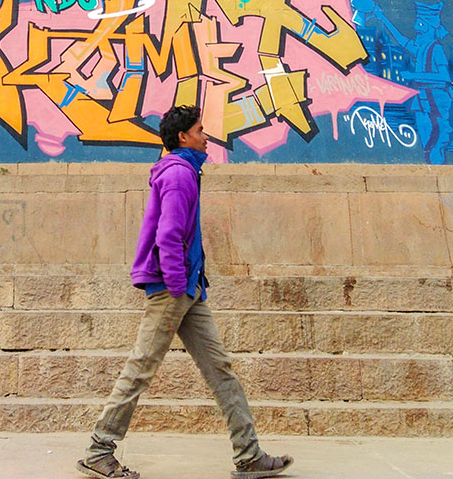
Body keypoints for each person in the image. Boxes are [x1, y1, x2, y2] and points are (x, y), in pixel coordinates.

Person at [77, 105, 293, 479]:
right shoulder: (179, 174)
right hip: (173, 287)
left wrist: (191, 286)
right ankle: (100, 449)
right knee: (142, 366)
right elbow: (169, 235)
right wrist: (178, 285)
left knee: (220, 370)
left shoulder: (187, 170)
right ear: (183, 137)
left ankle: (249, 455)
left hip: (190, 288)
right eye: (200, 129)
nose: (206, 136)